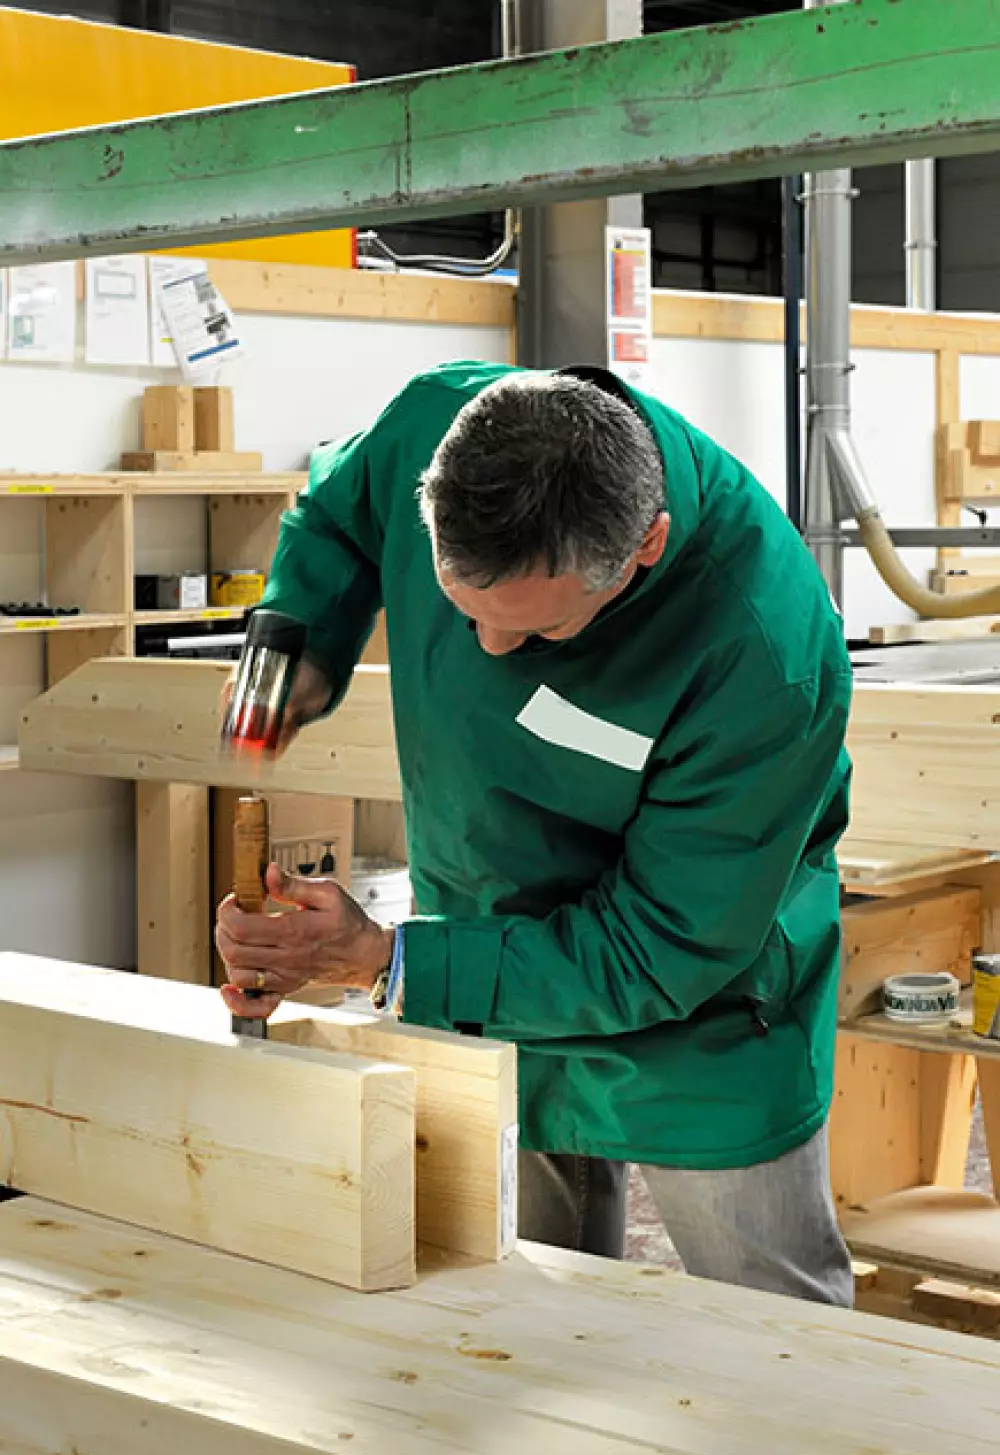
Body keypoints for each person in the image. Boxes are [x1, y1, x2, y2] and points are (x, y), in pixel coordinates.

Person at [215, 360, 855, 1306]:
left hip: (700, 1018)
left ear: (646, 547)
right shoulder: (433, 422)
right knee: (516, 1313)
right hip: (488, 964)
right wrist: (294, 643)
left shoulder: (765, 652)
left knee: (782, 1334)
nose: (487, 651)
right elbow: (339, 512)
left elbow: (661, 945)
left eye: (535, 630)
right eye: (459, 606)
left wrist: (387, 961)